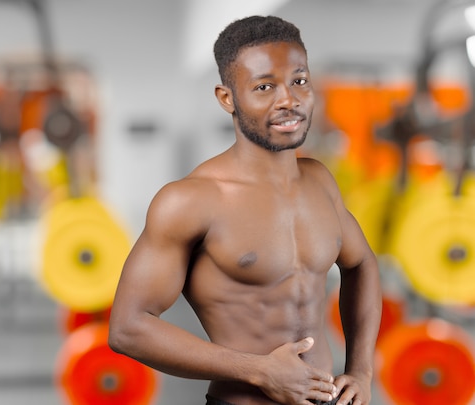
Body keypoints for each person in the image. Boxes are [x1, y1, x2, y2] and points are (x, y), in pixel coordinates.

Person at [108, 15, 382, 405]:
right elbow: (128, 328)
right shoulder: (191, 200)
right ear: (227, 98)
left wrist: (361, 370)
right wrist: (259, 370)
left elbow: (362, 264)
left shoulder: (320, 181)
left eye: (299, 81)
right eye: (264, 86)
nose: (288, 99)